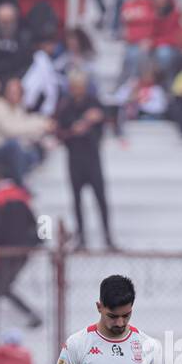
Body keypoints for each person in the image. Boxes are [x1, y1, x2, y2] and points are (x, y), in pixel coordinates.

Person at [56, 70, 117, 249]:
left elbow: (102, 125)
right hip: (74, 157)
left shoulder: (94, 103)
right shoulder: (65, 106)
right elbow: (62, 132)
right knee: (77, 199)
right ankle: (81, 237)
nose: (77, 90)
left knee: (101, 198)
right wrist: (81, 125)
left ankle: (108, 237)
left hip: (92, 156)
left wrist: (87, 126)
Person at [0, 165, 44, 334]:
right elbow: (36, 222)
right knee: (0, 288)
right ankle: (31, 315)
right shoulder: (21, 195)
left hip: (5, 252)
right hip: (23, 251)